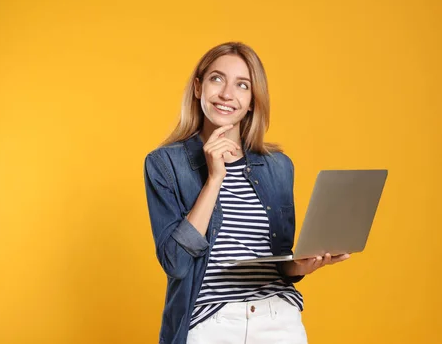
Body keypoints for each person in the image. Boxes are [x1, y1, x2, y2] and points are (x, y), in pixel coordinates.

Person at [143, 42, 349, 344]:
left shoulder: (278, 166)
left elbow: (278, 261)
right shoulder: (165, 164)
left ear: (252, 101)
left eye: (243, 85)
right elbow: (175, 264)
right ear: (198, 87)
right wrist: (214, 179)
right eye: (217, 79)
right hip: (212, 321)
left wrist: (300, 265)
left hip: (279, 320)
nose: (227, 94)